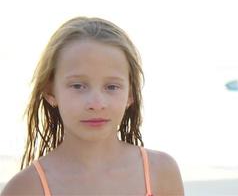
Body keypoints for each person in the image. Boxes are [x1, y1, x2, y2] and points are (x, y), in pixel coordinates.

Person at [1, 17, 184, 196]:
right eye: (78, 86)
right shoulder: (25, 189)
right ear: (50, 92)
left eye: (111, 87)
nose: (96, 104)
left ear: (130, 94)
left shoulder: (160, 173)